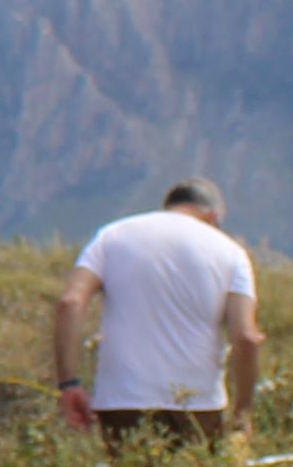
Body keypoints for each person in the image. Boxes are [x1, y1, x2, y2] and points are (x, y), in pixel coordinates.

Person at [54, 177, 264, 448]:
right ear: (213, 216)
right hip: (199, 404)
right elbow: (246, 337)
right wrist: (242, 413)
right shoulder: (231, 253)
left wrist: (69, 383)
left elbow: (70, 302)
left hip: (122, 401)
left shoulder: (112, 236)